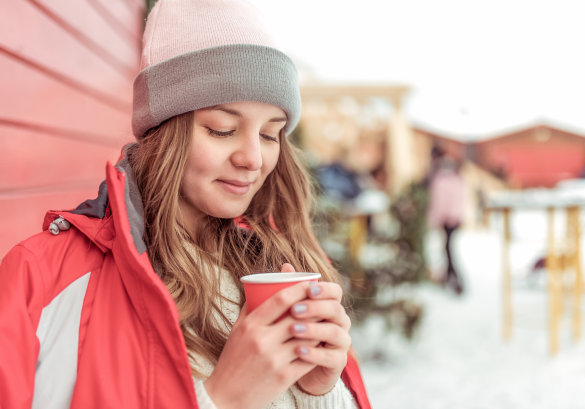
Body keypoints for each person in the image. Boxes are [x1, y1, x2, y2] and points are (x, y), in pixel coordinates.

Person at [0, 1, 371, 408]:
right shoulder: (40, 280)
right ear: (164, 132)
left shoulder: (274, 263)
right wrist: (222, 399)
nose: (253, 158)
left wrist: (320, 391)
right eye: (223, 129)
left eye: (270, 134)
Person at [426, 151, 466, 295]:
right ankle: (450, 277)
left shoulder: (441, 180)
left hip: (447, 219)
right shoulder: (456, 178)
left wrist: (436, 219)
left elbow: (439, 202)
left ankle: (455, 278)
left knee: (448, 249)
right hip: (453, 219)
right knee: (447, 248)